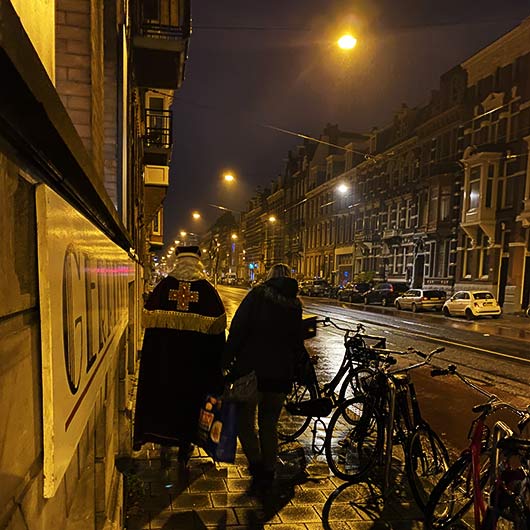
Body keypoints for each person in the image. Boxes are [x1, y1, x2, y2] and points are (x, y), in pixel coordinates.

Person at [133, 246, 226, 469]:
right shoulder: (207, 292)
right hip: (195, 369)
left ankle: (165, 444)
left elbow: (151, 335)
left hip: (166, 366)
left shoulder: (163, 288)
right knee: (190, 407)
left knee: (166, 404)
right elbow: (218, 338)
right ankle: (185, 448)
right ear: (198, 263)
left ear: (178, 262)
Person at [224, 263, 305, 492]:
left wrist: (226, 360)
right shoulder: (295, 304)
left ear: (269, 277)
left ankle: (257, 464)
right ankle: (269, 470)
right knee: (269, 424)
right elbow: (297, 342)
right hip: (280, 376)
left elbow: (238, 328)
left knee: (244, 423)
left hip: (253, 373)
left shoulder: (257, 296)